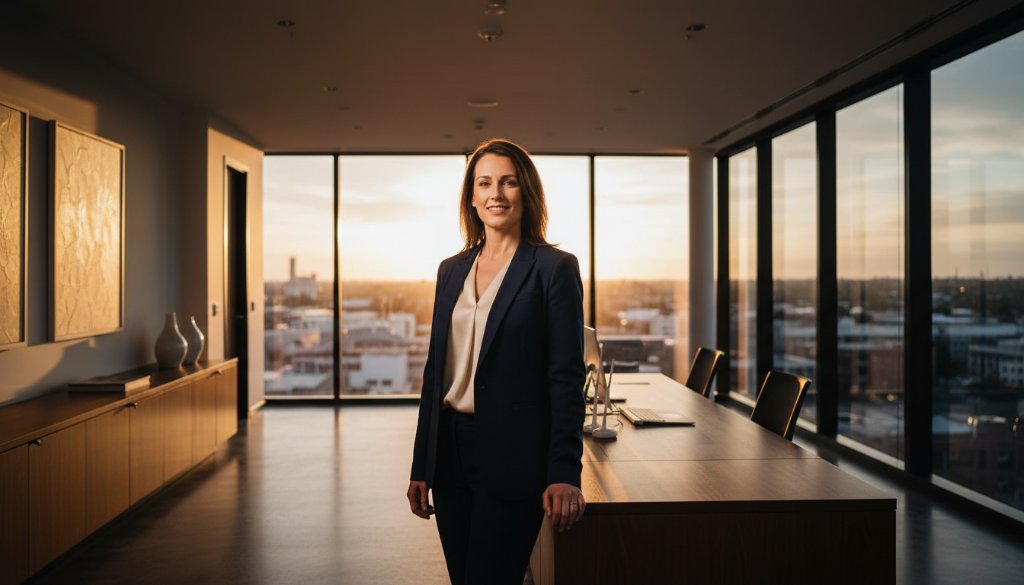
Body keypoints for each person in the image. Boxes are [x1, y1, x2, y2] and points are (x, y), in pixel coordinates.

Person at [406, 138, 587, 585]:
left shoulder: (553, 268)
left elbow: (565, 378)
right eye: (484, 183)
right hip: (450, 453)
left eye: (508, 182)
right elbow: (435, 373)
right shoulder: (451, 270)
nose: (496, 194)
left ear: (527, 191)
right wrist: (422, 465)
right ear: (471, 197)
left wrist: (565, 471)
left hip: (515, 455)